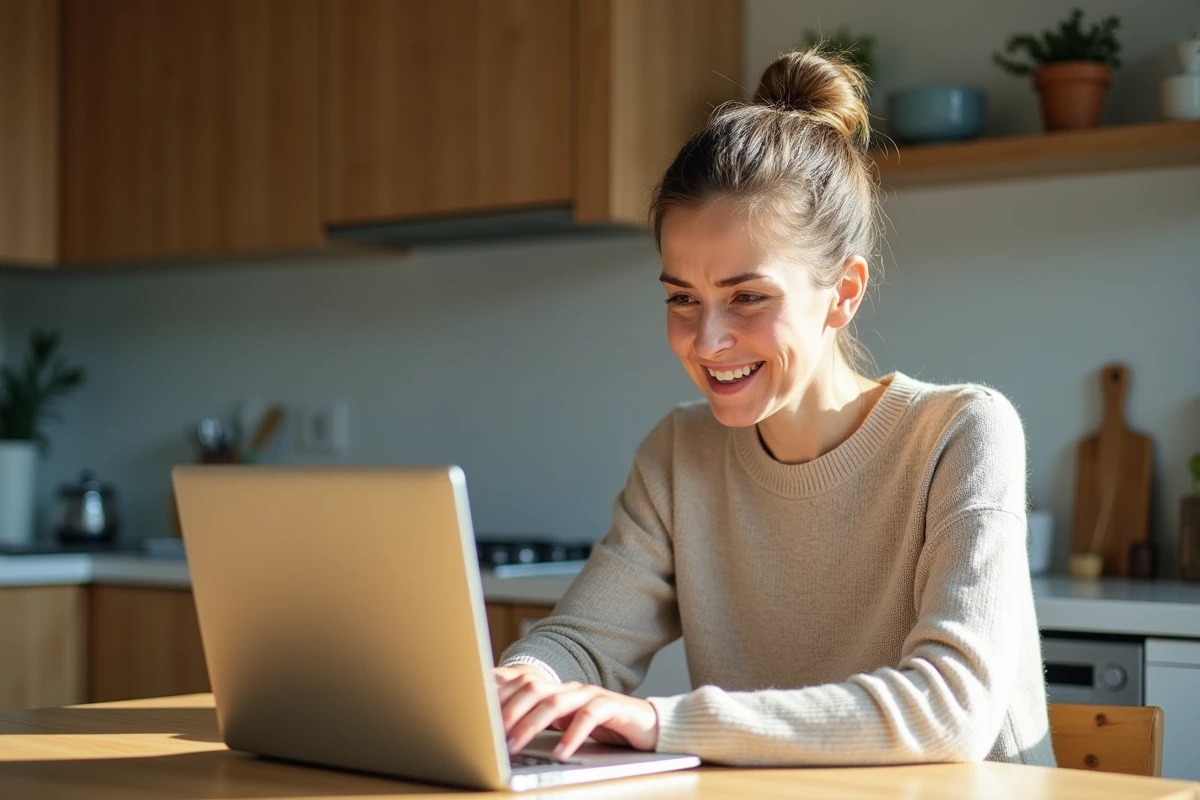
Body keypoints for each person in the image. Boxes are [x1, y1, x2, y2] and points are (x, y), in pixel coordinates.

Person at [493, 49, 1055, 768]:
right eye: (682, 299)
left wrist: (660, 721)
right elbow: (583, 640)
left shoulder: (961, 432)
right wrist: (530, 679)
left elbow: (951, 712)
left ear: (843, 293)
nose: (708, 339)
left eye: (748, 297)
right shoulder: (679, 452)